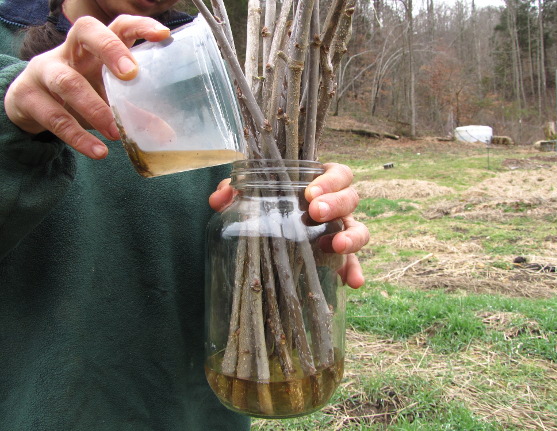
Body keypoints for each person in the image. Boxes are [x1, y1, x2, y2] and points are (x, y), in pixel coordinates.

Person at [0, 0, 370, 429]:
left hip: (201, 412)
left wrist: (305, 220)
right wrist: (13, 122)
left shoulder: (218, 68)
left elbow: (248, 274)